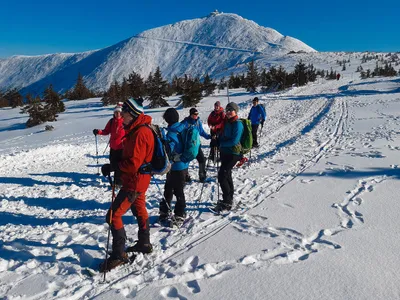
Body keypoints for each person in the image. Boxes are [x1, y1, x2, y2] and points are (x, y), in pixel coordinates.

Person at [99, 97, 154, 272]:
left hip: (135, 182)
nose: (121, 115)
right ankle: (144, 242)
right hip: (139, 180)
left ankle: (119, 254)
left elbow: (133, 164)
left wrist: (114, 167)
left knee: (113, 215)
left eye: (124, 113)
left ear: (132, 114)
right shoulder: (136, 129)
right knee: (139, 209)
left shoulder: (140, 133)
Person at [159, 108, 189, 224]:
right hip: (183, 165)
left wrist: (163, 145)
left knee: (175, 190)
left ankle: (179, 213)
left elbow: (169, 150)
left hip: (175, 166)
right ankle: (168, 210)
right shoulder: (182, 127)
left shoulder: (171, 132)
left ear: (167, 119)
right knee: (172, 188)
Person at [213, 102, 243, 212]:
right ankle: (229, 198)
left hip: (233, 154)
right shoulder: (226, 122)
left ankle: (227, 201)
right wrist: (216, 141)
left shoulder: (238, 124)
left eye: (231, 110)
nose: (229, 112)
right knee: (227, 175)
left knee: (222, 175)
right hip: (224, 153)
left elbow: (234, 141)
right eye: (227, 110)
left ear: (236, 111)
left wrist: (221, 144)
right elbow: (222, 135)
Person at [93, 103, 125, 185]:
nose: (117, 114)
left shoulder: (125, 121)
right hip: (113, 148)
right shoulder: (111, 122)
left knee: (119, 167)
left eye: (119, 112)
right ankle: (106, 169)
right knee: (114, 165)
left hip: (122, 148)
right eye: (116, 112)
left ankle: (118, 183)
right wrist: (99, 131)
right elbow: (106, 131)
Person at [181, 108, 211, 182]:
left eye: (197, 114)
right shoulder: (185, 123)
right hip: (188, 146)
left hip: (197, 146)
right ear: (191, 114)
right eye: (195, 114)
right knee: (186, 161)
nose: (196, 116)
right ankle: (186, 176)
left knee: (201, 160)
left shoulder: (198, 122)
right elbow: (180, 133)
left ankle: (202, 176)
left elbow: (202, 132)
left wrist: (209, 137)